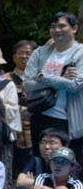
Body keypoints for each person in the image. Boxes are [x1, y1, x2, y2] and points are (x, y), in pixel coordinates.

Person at [24, 13, 83, 159]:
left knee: (66, 163)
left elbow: (75, 85)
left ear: (74, 28)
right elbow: (27, 84)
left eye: (62, 26)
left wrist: (42, 77)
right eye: (53, 26)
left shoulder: (80, 53)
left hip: (67, 119)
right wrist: (61, 79)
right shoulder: (40, 52)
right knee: (40, 160)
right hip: (39, 113)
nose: (57, 30)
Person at [9, 39, 38, 176]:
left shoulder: (41, 78)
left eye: (28, 53)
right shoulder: (5, 79)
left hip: (37, 129)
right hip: (14, 132)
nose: (25, 56)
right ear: (14, 57)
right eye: (21, 53)